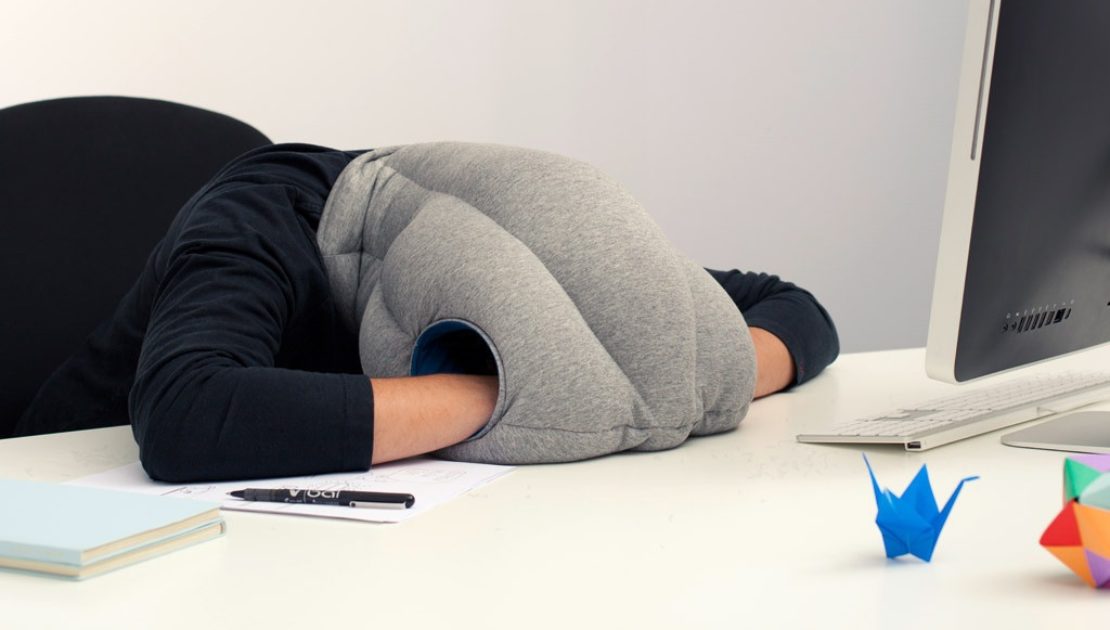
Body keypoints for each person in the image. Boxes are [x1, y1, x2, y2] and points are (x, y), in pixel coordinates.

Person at [16, 143, 839, 481]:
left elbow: (794, 308)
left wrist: (690, 381)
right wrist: (506, 392)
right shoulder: (252, 227)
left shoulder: (524, 246)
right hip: (64, 521)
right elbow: (187, 417)